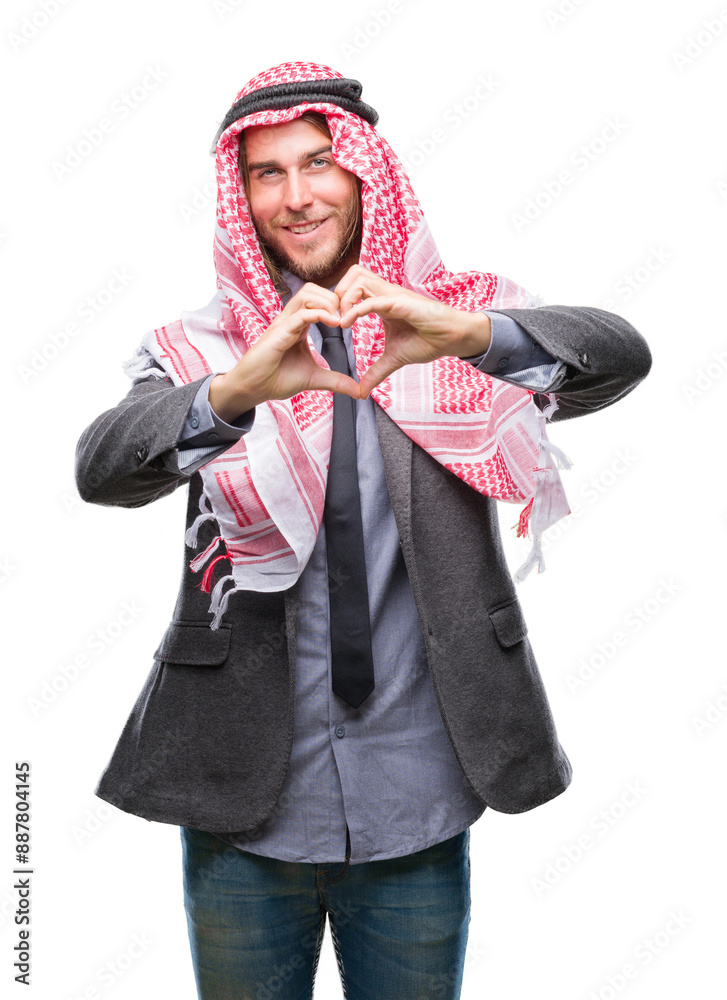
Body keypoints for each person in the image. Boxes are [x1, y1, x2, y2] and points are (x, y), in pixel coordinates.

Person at [75, 61, 652, 1000]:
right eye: (267, 173)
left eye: (317, 165)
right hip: (243, 797)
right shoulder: (207, 352)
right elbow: (103, 469)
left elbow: (618, 355)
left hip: (419, 793)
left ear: (363, 175)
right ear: (242, 193)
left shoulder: (454, 324)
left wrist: (471, 337)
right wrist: (232, 395)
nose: (297, 197)